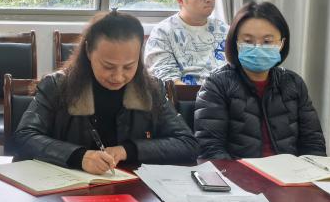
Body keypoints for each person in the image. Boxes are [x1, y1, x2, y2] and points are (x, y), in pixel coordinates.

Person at [13, 10, 198, 172]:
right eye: (108, 66)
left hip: (129, 188)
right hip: (67, 187)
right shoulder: (57, 86)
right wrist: (79, 156)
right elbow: (24, 137)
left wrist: (128, 150)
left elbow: (187, 143)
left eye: (128, 66)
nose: (118, 76)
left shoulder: (151, 90)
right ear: (88, 51)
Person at [194, 1, 326, 160]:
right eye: (248, 41)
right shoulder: (216, 85)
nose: (258, 47)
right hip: (239, 174)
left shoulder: (293, 83)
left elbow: (313, 143)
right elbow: (210, 149)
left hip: (290, 172)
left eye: (267, 41)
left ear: (282, 43)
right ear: (236, 43)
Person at [144, 0, 227, 85]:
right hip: (184, 94)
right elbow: (166, 78)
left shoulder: (225, 30)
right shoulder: (162, 32)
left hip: (226, 93)